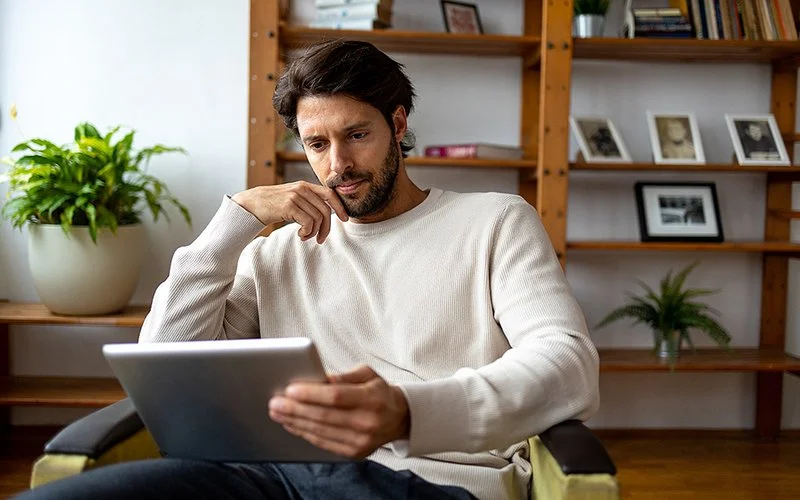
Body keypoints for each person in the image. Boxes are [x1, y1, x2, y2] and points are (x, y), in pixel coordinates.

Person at [16, 40, 599, 500]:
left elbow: (568, 364)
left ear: (398, 125)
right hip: (265, 475)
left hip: (424, 482)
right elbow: (166, 365)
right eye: (316, 144)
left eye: (357, 136)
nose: (337, 164)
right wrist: (234, 221)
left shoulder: (494, 222)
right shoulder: (276, 250)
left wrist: (407, 412)